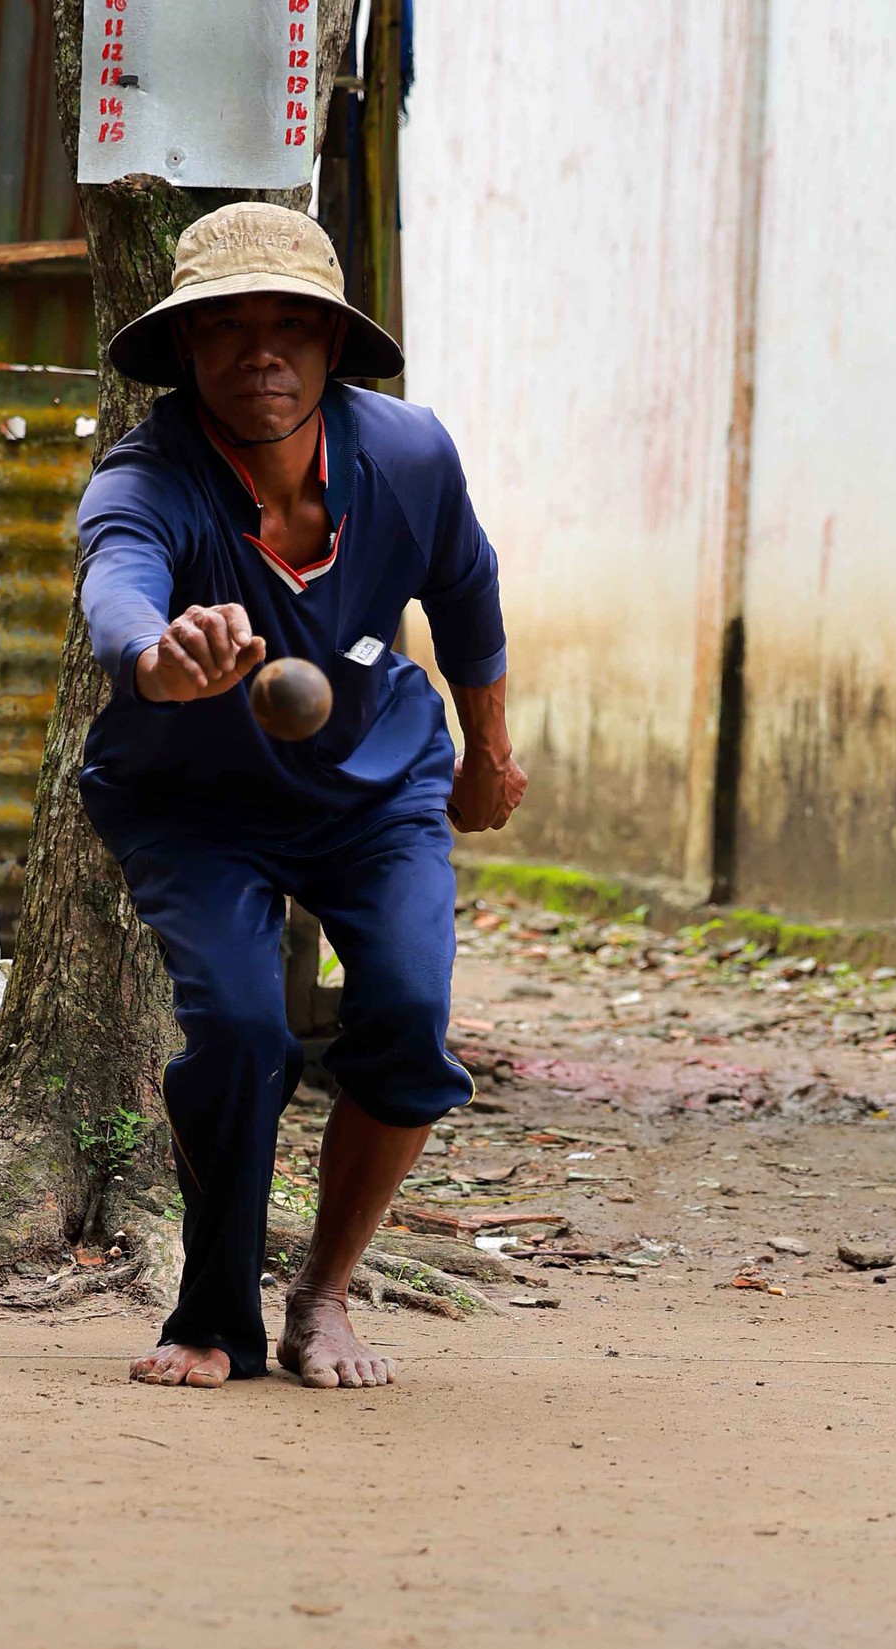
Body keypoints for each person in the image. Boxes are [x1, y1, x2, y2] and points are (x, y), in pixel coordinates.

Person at [74, 202, 526, 1389]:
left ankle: (323, 1296)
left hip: (377, 784)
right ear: (186, 346)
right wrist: (159, 656)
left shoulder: (409, 456)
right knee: (238, 1030)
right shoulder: (146, 477)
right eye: (227, 326)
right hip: (194, 804)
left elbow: (467, 599)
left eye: (291, 326)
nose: (261, 353)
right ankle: (212, 1313)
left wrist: (487, 755)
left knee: (409, 1017)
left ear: (332, 345)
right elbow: (117, 585)